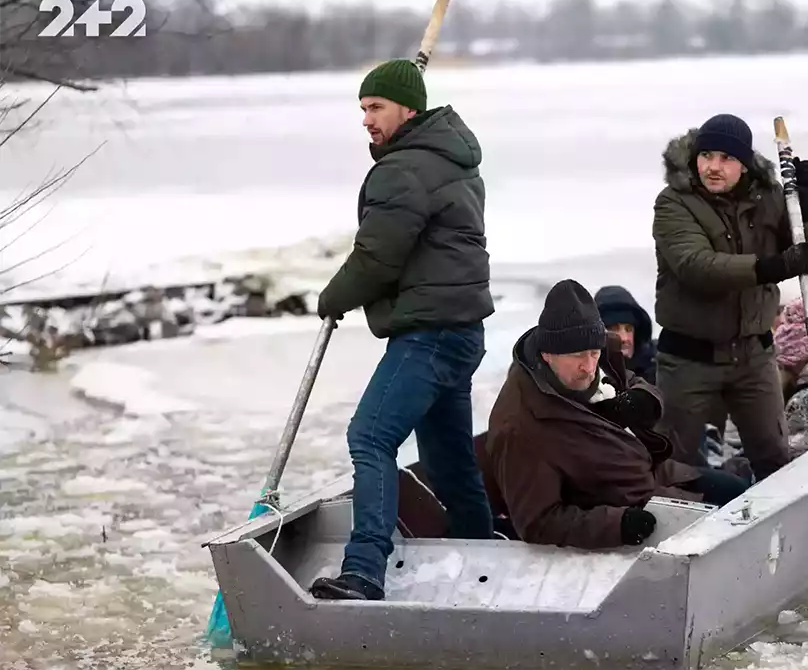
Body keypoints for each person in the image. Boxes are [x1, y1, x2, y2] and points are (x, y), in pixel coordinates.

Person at [308, 58, 495, 601]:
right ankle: (481, 555)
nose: (366, 119)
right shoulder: (452, 158)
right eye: (363, 108)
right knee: (449, 456)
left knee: (370, 436)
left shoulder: (403, 169)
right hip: (463, 332)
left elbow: (377, 257)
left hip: (431, 333)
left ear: (407, 108)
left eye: (376, 107)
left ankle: (364, 570)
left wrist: (332, 298)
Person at [486, 279, 750, 550]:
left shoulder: (596, 360)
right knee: (720, 535)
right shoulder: (519, 426)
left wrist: (643, 400)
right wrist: (618, 525)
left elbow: (634, 379)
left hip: (656, 474)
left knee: (739, 496)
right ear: (547, 354)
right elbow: (538, 522)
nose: (589, 368)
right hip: (617, 506)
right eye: (578, 356)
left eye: (593, 353)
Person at [652, 113, 808, 481]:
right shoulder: (673, 203)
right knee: (671, 466)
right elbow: (696, 266)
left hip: (754, 356)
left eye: (727, 158)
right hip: (689, 361)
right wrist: (771, 267)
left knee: (774, 459)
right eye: (707, 156)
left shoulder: (769, 198)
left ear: (744, 165)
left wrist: (804, 206)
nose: (714, 167)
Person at [595, 285, 657, 383]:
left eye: (628, 329)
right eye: (614, 329)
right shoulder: (587, 377)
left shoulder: (658, 370)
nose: (624, 338)